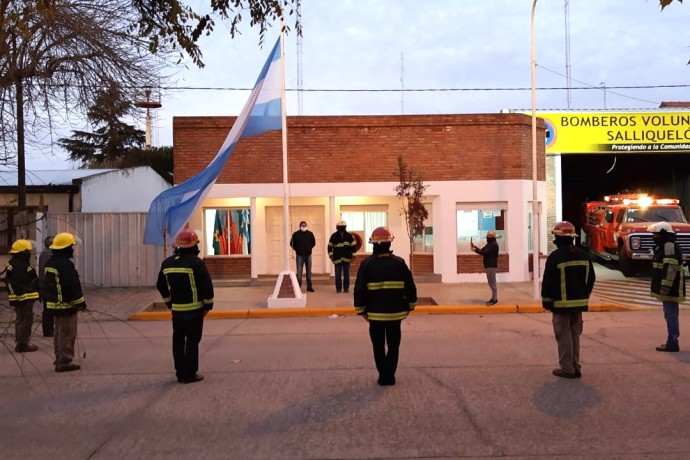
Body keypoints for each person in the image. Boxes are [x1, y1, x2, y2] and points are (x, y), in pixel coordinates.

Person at [354, 227, 417, 386]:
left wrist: (361, 310)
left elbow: (359, 289)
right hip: (395, 314)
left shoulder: (366, 264)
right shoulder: (399, 263)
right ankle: (390, 375)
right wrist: (410, 306)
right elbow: (410, 287)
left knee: (378, 346)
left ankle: (384, 376)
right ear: (389, 243)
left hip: (374, 315)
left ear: (373, 244)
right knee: (394, 346)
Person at [157, 229, 214, 384]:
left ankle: (180, 373)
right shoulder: (196, 263)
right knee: (192, 342)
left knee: (178, 342)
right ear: (194, 246)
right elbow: (206, 285)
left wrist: (169, 302)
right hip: (195, 310)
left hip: (177, 311)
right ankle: (190, 374)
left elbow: (160, 285)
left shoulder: (167, 263)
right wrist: (208, 305)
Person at [541, 221, 595, 379]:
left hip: (561, 305)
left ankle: (567, 368)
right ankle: (576, 365)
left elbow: (548, 282)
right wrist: (584, 296)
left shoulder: (556, 257)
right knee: (574, 335)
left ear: (558, 238)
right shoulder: (583, 255)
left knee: (563, 335)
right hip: (579, 305)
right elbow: (591, 278)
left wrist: (547, 301)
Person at [44, 232, 87, 372]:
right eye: (71, 246)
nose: (73, 249)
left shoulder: (51, 263)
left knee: (58, 333)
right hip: (66, 306)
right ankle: (65, 362)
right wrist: (81, 303)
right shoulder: (65, 265)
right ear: (66, 248)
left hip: (54, 305)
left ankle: (59, 358)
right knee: (67, 333)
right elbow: (72, 286)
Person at [648, 222, 685, 352]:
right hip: (670, 287)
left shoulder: (669, 247)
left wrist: (665, 286)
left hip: (671, 288)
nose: (654, 237)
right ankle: (672, 340)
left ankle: (673, 342)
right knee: (671, 314)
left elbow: (671, 267)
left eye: (656, 234)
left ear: (663, 234)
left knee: (670, 315)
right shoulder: (665, 246)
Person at [5, 239, 40, 353]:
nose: (29, 253)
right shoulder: (20, 265)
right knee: (25, 320)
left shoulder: (15, 263)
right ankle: (22, 344)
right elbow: (20, 283)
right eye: (28, 251)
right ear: (23, 252)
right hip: (24, 299)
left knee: (21, 319)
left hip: (21, 299)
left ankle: (21, 342)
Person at [470, 230, 499, 306]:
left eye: (489, 235)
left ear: (493, 237)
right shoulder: (490, 244)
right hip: (488, 266)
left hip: (491, 266)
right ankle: (493, 298)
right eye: (487, 235)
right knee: (491, 283)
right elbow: (483, 250)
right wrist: (475, 247)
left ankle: (495, 299)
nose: (487, 237)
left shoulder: (493, 244)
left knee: (492, 283)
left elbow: (484, 252)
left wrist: (475, 249)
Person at [328, 220, 357, 293]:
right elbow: (329, 246)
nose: (341, 228)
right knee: (338, 275)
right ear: (337, 227)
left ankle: (346, 288)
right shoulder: (334, 236)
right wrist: (331, 255)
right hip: (337, 258)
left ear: (345, 227)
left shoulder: (349, 236)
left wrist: (353, 256)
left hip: (347, 258)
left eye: (343, 227)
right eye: (340, 227)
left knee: (346, 274)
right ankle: (338, 288)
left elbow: (353, 247)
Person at [289, 221, 316, 292]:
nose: (303, 226)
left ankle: (309, 287)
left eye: (305, 225)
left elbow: (314, 243)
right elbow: (291, 243)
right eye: (302, 225)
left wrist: (309, 248)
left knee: (309, 272)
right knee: (299, 272)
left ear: (306, 226)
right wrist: (297, 249)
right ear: (300, 226)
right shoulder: (295, 234)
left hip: (308, 255)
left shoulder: (310, 234)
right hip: (299, 255)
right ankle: (298, 287)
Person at [38, 235, 55, 337]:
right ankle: (48, 331)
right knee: (48, 309)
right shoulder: (46, 254)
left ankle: (50, 329)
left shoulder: (49, 253)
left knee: (50, 308)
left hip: (49, 285)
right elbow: (46, 270)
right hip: (46, 286)